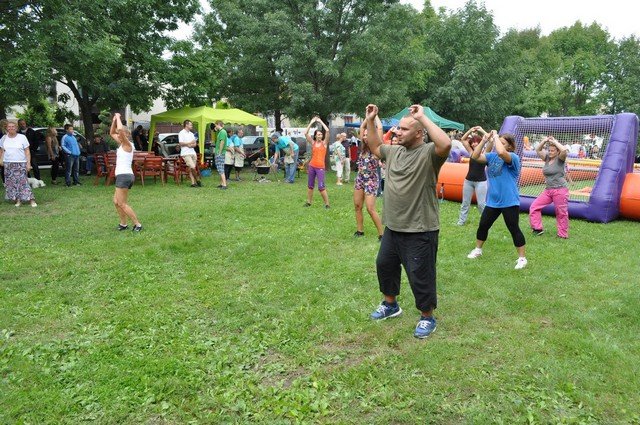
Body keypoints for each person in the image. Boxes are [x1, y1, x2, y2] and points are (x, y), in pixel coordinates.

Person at [365, 104, 451, 339]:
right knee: (385, 265)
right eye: (397, 128)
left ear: (419, 133)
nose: (397, 132)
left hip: (420, 228)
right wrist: (370, 120)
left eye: (403, 129)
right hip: (393, 226)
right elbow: (375, 146)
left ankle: (427, 317)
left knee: (420, 275)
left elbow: (445, 144)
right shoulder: (395, 152)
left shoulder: (429, 154)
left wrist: (422, 117)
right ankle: (390, 304)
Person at [467, 130, 528, 270]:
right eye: (498, 142)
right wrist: (484, 140)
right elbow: (475, 156)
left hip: (509, 200)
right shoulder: (491, 156)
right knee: (483, 225)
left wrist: (495, 136)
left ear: (510, 146)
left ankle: (522, 258)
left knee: (513, 228)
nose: (498, 144)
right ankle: (478, 250)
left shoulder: (513, 157)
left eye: (503, 143)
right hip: (493, 201)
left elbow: (501, 152)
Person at [529, 136, 570, 238]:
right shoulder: (546, 158)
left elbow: (564, 150)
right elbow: (538, 149)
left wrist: (554, 142)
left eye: (552, 151)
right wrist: (544, 140)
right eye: (549, 150)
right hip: (548, 190)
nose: (550, 152)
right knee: (534, 207)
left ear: (557, 151)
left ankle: (562, 234)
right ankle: (537, 229)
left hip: (560, 190)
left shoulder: (560, 159)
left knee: (561, 213)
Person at [110, 113, 142, 232]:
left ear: (126, 134)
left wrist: (118, 117)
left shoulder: (128, 145)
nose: (118, 135)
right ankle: (123, 224)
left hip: (125, 176)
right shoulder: (121, 144)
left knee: (122, 203)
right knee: (116, 202)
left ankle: (137, 224)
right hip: (122, 176)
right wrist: (114, 121)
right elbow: (112, 133)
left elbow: (119, 130)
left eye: (121, 134)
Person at [353, 115, 384, 239]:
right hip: (360, 178)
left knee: (370, 208)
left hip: (371, 179)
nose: (365, 137)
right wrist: (367, 117)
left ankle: (382, 234)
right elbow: (362, 127)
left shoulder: (377, 147)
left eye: (367, 135)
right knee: (357, 206)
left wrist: (375, 116)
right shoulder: (362, 147)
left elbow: (380, 128)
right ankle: (360, 231)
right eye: (364, 135)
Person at [0, 121, 37, 207]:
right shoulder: (3, 138)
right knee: (12, 184)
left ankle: (31, 200)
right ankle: (18, 200)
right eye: (9, 126)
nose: (11, 128)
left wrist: (28, 163)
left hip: (21, 163)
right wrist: (1, 160)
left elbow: (27, 151)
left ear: (16, 128)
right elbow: (2, 151)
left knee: (23, 182)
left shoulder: (22, 137)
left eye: (13, 126)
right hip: (8, 164)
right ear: (6, 128)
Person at [457, 126, 488, 226]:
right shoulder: (471, 152)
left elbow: (490, 139)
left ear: (480, 142)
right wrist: (470, 130)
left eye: (476, 142)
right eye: (473, 142)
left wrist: (481, 130)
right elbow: (463, 140)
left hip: (481, 182)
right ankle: (461, 221)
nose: (474, 144)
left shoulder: (485, 153)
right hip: (468, 181)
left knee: (481, 204)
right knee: (465, 203)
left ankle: (486, 223)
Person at [303, 116, 330, 209]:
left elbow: (327, 131)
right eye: (318, 134)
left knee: (321, 187)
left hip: (320, 167)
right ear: (315, 136)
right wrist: (311, 122)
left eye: (321, 134)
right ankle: (308, 202)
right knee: (310, 186)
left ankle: (327, 204)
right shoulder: (313, 143)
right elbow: (305, 133)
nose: (320, 136)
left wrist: (320, 121)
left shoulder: (324, 143)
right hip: (312, 166)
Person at [178, 120, 201, 187]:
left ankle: (193, 183)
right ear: (186, 125)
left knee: (191, 168)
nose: (192, 126)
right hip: (186, 153)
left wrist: (190, 145)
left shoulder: (191, 134)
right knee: (192, 167)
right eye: (190, 125)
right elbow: (181, 143)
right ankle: (198, 180)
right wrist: (190, 143)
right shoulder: (181, 133)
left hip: (193, 153)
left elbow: (195, 144)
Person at [214, 120, 228, 189]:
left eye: (215, 125)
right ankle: (222, 183)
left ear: (218, 124)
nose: (215, 126)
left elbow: (222, 142)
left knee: (220, 168)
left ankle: (224, 184)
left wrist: (219, 152)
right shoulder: (221, 132)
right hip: (221, 153)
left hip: (220, 153)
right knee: (220, 168)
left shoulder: (222, 132)